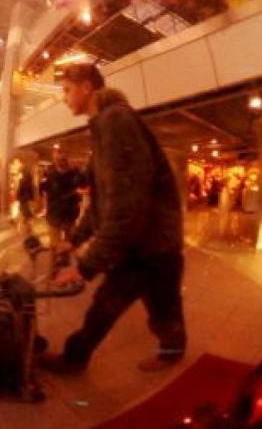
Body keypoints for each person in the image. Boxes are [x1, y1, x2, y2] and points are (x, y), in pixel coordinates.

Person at [41, 63, 186, 374]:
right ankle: (75, 359)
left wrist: (85, 266)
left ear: (86, 88)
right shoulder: (104, 127)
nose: (64, 98)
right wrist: (74, 240)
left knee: (159, 307)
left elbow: (125, 205)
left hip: (153, 246)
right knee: (113, 307)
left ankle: (171, 351)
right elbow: (101, 204)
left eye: (66, 90)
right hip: (143, 245)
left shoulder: (116, 122)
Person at [41, 155, 84, 251]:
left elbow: (44, 190)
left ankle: (57, 262)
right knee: (70, 243)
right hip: (69, 214)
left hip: (56, 214)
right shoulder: (74, 176)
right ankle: (67, 260)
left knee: (55, 244)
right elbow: (83, 184)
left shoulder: (51, 176)